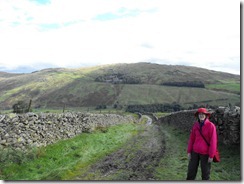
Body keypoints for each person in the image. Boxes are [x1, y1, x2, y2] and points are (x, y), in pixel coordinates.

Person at [186, 108, 217, 180]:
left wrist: (211, 155)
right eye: (200, 114)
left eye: (203, 114)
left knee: (205, 174)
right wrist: (189, 151)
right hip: (195, 152)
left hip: (205, 153)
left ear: (206, 115)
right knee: (191, 172)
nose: (201, 115)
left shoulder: (211, 126)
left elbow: (213, 141)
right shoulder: (195, 125)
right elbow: (191, 139)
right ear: (198, 116)